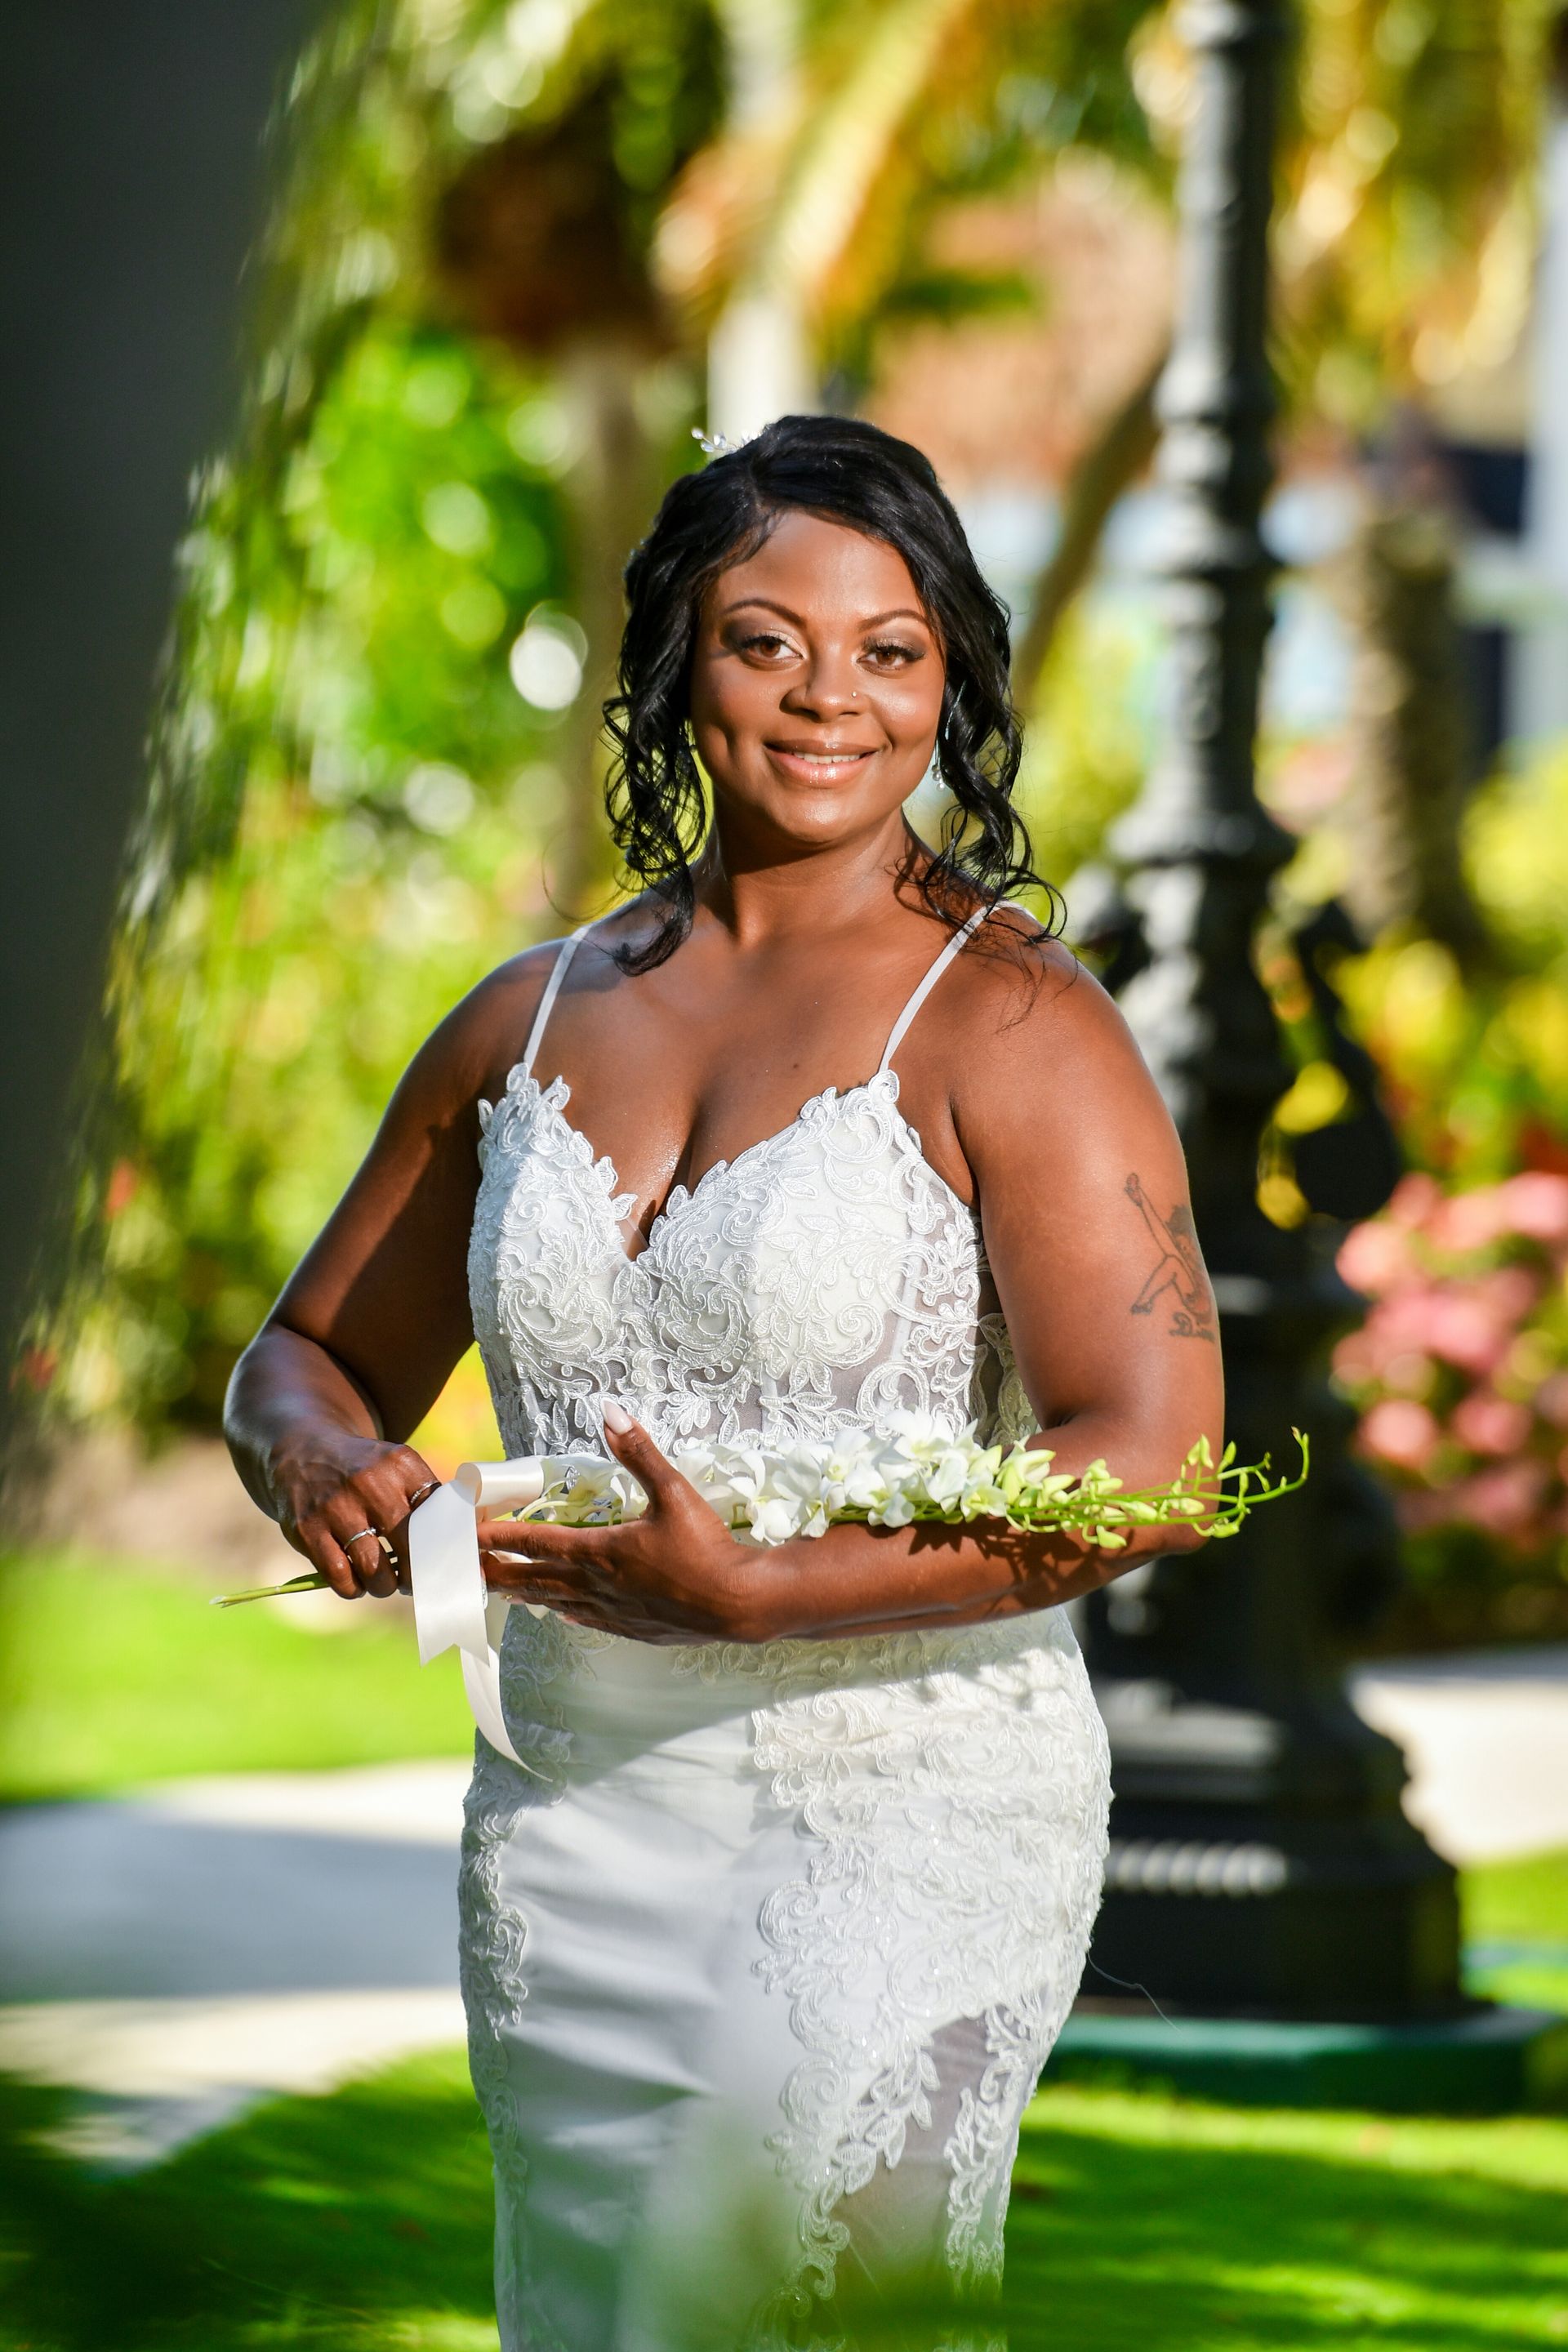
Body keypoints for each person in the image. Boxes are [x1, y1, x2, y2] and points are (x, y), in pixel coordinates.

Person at [225, 413, 1223, 2350]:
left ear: (953, 682)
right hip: (573, 1813)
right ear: (680, 660)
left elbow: (1157, 1462)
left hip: (901, 1815)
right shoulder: (528, 1013)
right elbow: (310, 1352)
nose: (830, 698)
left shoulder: (1017, 1022)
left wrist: (776, 1590)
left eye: (893, 649)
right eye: (770, 641)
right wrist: (324, 1463)